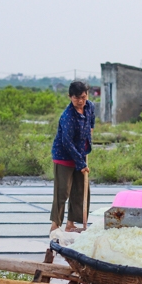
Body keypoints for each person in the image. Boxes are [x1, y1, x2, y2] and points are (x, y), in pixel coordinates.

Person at [49, 81, 94, 233]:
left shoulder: (90, 107)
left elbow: (91, 124)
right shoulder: (67, 116)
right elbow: (67, 142)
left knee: (80, 190)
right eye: (76, 98)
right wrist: (80, 164)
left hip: (81, 153)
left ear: (87, 95)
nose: (80, 101)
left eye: (83, 97)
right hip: (64, 156)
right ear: (70, 97)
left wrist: (87, 146)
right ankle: (55, 225)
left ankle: (71, 224)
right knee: (62, 192)